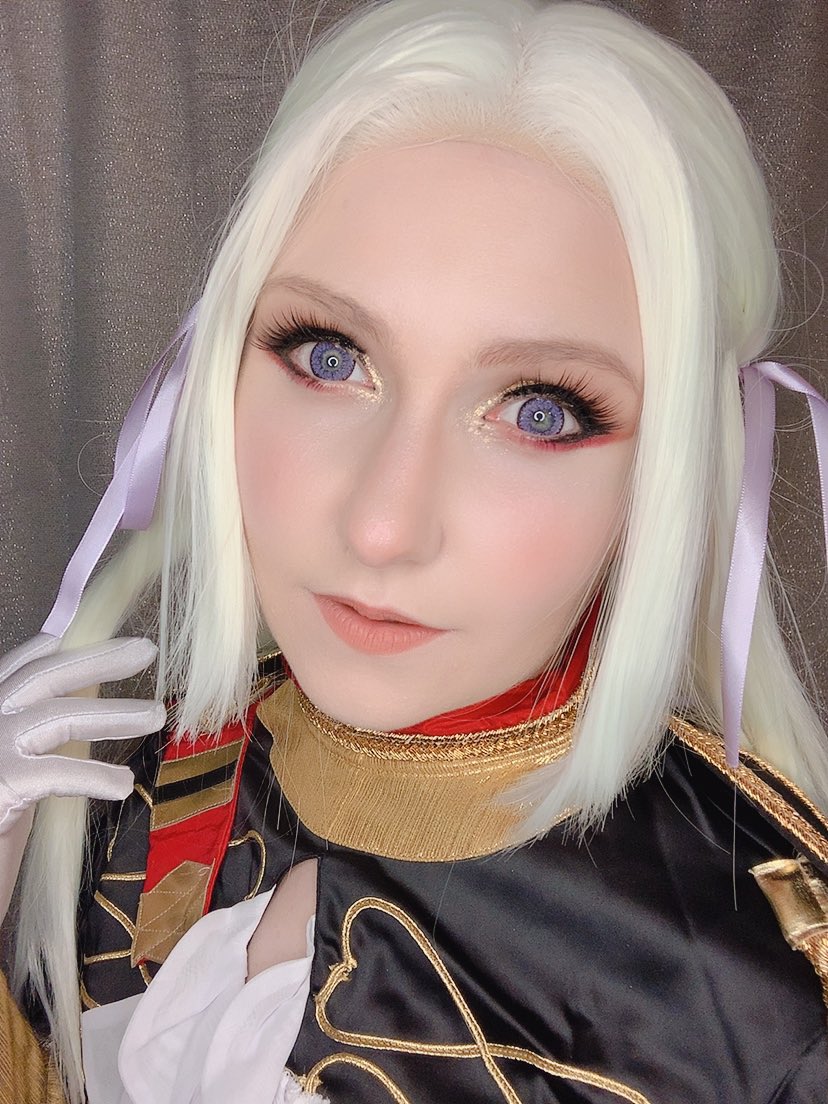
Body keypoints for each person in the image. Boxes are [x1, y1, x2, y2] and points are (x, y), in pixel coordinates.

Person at [1, 0, 827, 1100]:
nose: (383, 525)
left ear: (675, 470)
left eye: (540, 412)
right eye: (329, 356)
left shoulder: (750, 1007)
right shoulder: (134, 801)